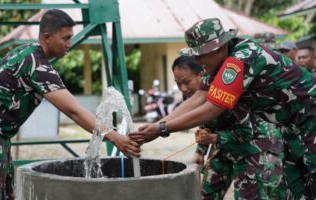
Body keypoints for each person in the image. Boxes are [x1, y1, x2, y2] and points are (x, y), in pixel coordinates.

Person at [0, 9, 140, 199]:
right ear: (47, 37)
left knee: (3, 195)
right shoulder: (35, 63)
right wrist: (114, 137)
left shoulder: (27, 52)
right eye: (65, 38)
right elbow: (74, 111)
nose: (69, 44)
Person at [130, 18, 316, 199]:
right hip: (291, 127)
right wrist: (158, 124)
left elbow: (212, 108)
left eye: (200, 54)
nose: (196, 59)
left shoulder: (241, 59)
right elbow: (198, 98)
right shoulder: (217, 67)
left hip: (310, 119)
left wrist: (162, 129)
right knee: (297, 187)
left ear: (218, 48)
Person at [172, 55, 285, 199]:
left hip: (253, 147)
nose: (183, 88)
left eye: (187, 82)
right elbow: (206, 122)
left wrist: (214, 138)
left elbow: (246, 133)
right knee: (205, 195)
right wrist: (200, 151)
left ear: (202, 75)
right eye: (178, 83)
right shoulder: (191, 95)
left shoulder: (226, 91)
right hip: (224, 146)